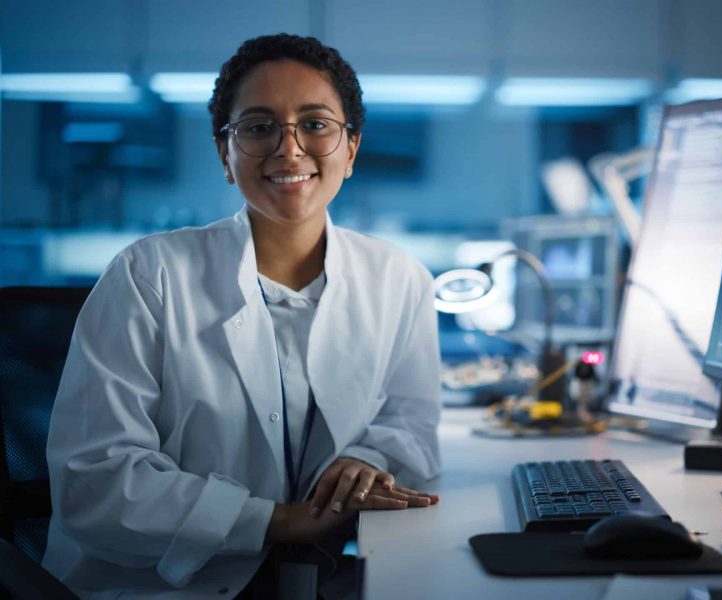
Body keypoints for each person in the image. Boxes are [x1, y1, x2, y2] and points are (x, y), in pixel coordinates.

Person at [42, 34, 442, 599]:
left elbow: (413, 422)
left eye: (316, 124)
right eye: (258, 127)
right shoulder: (148, 273)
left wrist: (366, 457)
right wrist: (276, 520)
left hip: (314, 575)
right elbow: (96, 482)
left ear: (350, 148)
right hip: (155, 586)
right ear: (224, 155)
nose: (289, 149)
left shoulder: (400, 277)